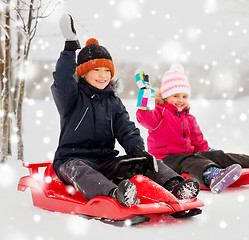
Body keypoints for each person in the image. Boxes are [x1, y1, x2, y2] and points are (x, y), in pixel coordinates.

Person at [51, 15, 200, 208]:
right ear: (84, 73)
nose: (102, 75)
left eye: (107, 71)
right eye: (96, 70)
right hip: (71, 160)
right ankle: (116, 194)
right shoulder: (71, 98)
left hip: (105, 160)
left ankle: (176, 186)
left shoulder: (113, 102)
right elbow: (62, 81)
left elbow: (126, 129)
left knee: (145, 160)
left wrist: (137, 149)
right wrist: (70, 47)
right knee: (80, 169)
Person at [135, 64, 249, 194]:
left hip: (189, 156)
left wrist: (211, 154)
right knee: (190, 160)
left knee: (219, 155)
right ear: (166, 96)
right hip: (165, 161)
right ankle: (212, 176)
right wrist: (145, 93)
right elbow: (144, 116)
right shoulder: (159, 114)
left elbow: (199, 143)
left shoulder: (189, 119)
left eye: (184, 96)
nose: (180, 100)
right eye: (176, 96)